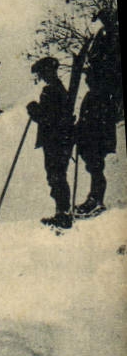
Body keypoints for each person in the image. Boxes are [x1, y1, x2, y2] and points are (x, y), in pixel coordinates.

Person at [75, 15, 121, 218]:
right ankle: (94, 198)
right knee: (92, 161)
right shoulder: (93, 94)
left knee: (95, 162)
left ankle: (97, 200)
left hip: (100, 122)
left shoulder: (103, 93)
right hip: (94, 121)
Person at [27, 56, 74, 228]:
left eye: (43, 72)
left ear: (49, 71)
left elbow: (49, 119)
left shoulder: (51, 90)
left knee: (56, 176)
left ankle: (62, 214)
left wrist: (34, 111)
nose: (42, 76)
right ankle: (61, 212)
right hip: (60, 139)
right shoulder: (59, 88)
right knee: (57, 175)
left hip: (55, 140)